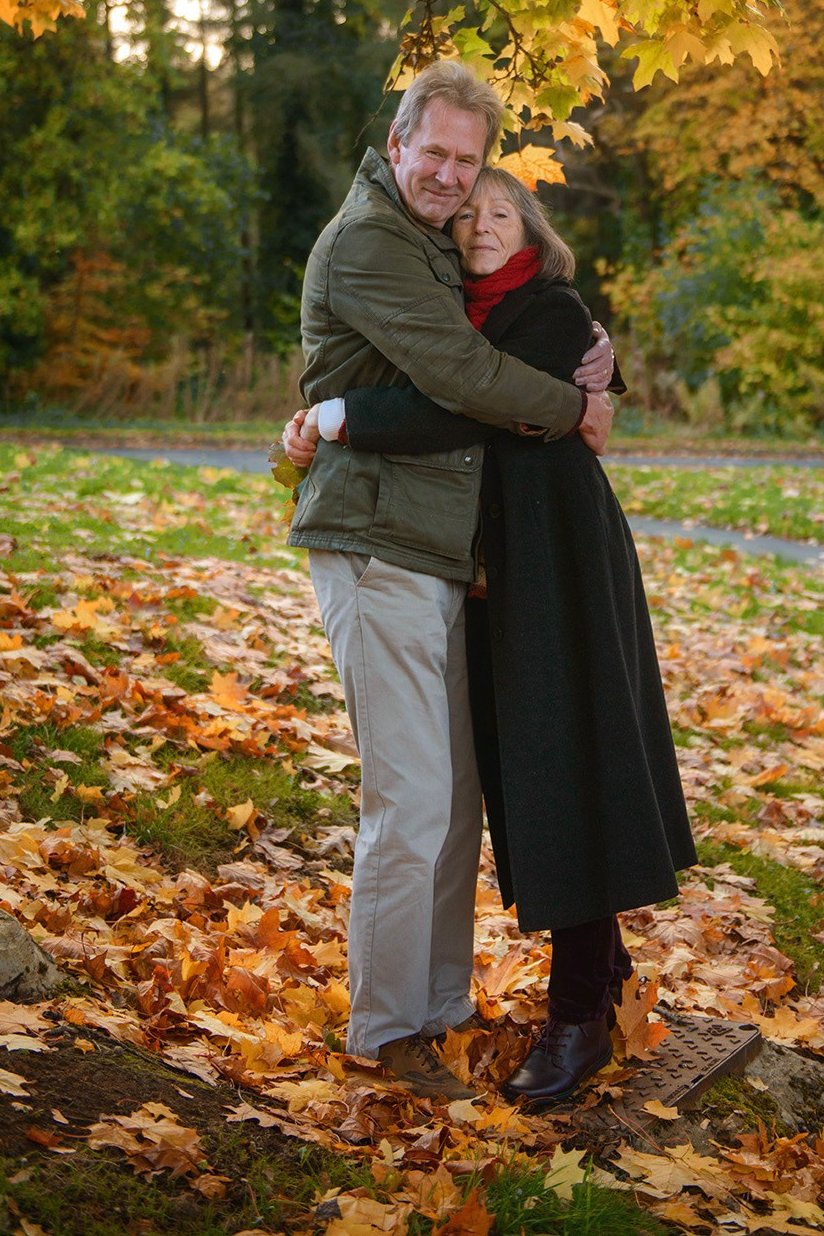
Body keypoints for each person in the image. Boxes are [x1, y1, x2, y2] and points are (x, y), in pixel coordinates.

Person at [294, 167, 696, 1107]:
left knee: (568, 767)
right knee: (529, 770)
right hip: (492, 567)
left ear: (533, 232)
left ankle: (575, 1019)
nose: (479, 223)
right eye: (469, 211)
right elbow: (440, 379)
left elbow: (454, 404)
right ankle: (605, 977)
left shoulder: (551, 310)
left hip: (558, 556)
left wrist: (338, 415)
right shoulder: (452, 309)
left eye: (500, 211)